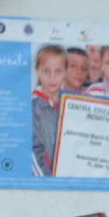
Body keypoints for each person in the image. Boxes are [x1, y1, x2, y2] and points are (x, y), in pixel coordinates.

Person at [31, 46, 66, 176]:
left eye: (58, 71)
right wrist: (47, 182)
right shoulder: (32, 106)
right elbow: (32, 151)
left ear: (66, 72)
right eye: (46, 71)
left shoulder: (70, 104)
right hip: (44, 181)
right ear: (37, 71)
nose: (52, 77)